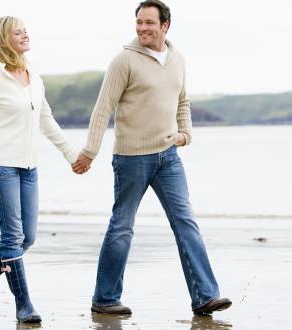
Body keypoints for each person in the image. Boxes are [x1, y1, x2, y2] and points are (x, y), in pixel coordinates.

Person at [71, 0, 231, 316]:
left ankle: (205, 297)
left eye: (149, 23)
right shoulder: (124, 61)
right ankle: (105, 298)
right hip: (131, 159)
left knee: (186, 222)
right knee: (122, 226)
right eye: (139, 22)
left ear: (165, 26)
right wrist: (89, 152)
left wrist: (185, 134)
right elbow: (103, 108)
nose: (143, 28)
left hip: (168, 158)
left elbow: (182, 101)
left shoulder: (178, 60)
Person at [0, 16, 88, 323]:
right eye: (16, 32)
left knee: (26, 237)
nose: (24, 34)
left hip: (28, 168)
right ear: (2, 40)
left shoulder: (33, 73)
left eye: (25, 30)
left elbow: (46, 120)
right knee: (11, 236)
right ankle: (24, 305)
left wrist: (72, 154)